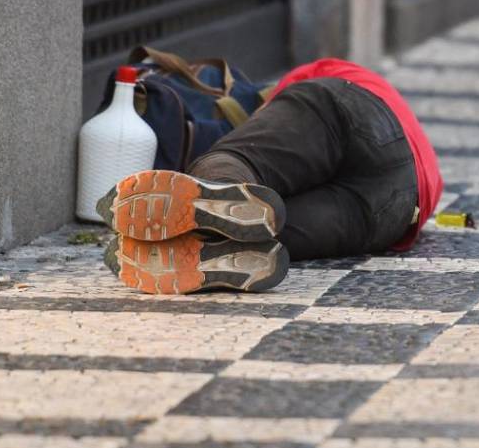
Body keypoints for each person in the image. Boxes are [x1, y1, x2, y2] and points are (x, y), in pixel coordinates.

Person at [97, 58, 442, 295]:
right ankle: (221, 248)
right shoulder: (418, 149)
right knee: (269, 227)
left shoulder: (320, 71)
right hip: (397, 205)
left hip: (354, 113)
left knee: (240, 160)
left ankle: (216, 188)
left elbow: (270, 127)